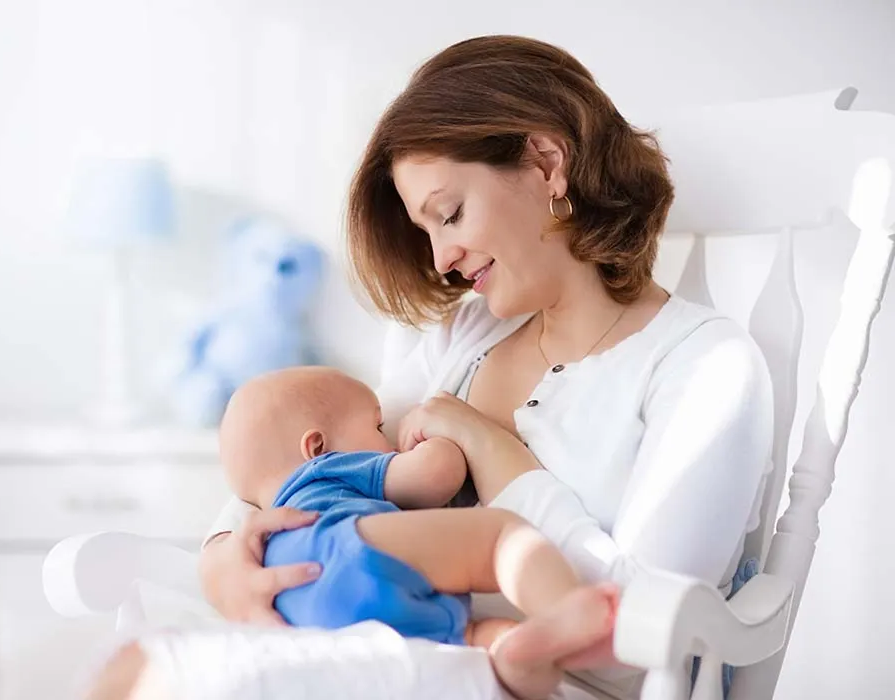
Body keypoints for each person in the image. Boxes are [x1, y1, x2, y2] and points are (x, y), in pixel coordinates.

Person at [89, 34, 774, 699]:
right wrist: (223, 561)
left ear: (545, 162)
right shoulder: (461, 332)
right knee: (136, 672)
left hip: (538, 679)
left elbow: (639, 639)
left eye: (448, 214)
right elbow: (314, 457)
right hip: (374, 655)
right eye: (426, 230)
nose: (441, 257)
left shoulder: (704, 367)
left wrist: (491, 448)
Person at [220, 365, 619, 699]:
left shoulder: (267, 534)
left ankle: (512, 652)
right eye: (378, 426)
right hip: (345, 548)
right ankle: (568, 610)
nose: (389, 439)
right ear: (317, 446)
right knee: (500, 538)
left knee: (473, 642)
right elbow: (438, 475)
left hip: (302, 614)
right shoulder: (328, 470)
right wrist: (433, 441)